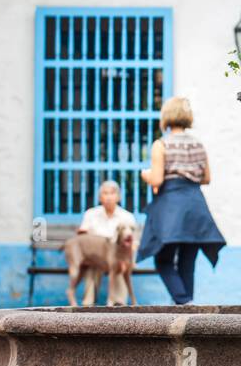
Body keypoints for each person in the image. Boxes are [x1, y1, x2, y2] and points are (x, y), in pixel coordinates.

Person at [138, 96, 226, 304]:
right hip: (195, 204)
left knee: (163, 259)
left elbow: (157, 178)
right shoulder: (197, 144)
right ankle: (187, 307)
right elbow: (206, 178)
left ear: (166, 117)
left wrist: (145, 175)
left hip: (172, 206)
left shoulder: (162, 144)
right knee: (188, 262)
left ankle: (183, 301)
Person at [75, 180, 138, 304]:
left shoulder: (127, 217)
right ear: (100, 197)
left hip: (118, 258)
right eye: (105, 193)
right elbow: (83, 239)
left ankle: (118, 304)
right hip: (97, 258)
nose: (109, 197)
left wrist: (129, 261)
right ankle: (88, 305)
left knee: (120, 266)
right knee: (92, 265)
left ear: (119, 197)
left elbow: (133, 243)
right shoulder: (90, 214)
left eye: (112, 193)